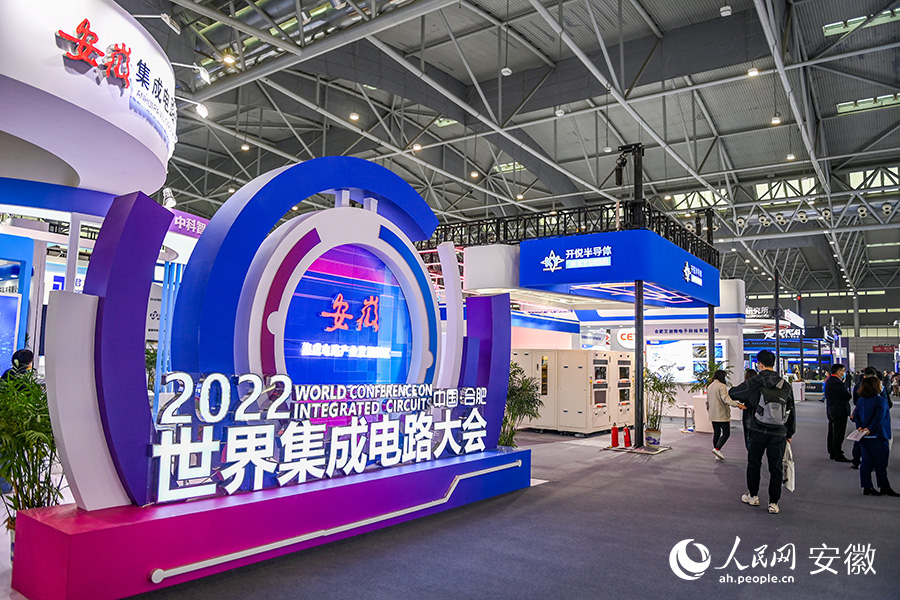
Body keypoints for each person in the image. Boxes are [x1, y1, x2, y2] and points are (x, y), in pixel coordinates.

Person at [728, 350, 796, 514]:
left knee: (754, 463)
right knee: (776, 467)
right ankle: (774, 503)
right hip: (778, 432)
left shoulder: (754, 382)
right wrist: (789, 433)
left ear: (759, 364)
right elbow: (791, 409)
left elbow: (733, 393)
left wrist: (748, 399)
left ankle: (753, 496)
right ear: (773, 363)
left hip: (757, 429)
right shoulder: (784, 384)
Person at [854, 377, 898, 497]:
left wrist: (860, 428)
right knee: (881, 463)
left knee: (866, 462)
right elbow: (879, 418)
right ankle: (884, 486)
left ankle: (867, 486)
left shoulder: (861, 400)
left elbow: (856, 415)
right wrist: (870, 429)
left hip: (864, 436)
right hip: (878, 435)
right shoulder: (880, 400)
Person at [707, 370, 744, 460]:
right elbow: (725, 399)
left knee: (717, 433)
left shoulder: (710, 386)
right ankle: (717, 449)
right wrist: (737, 404)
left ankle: (717, 453)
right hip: (722, 414)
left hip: (713, 414)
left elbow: (708, 401)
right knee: (726, 433)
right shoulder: (722, 386)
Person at [824, 364, 852, 462]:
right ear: (838, 371)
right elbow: (846, 395)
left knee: (832, 432)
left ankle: (832, 452)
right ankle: (838, 454)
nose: (844, 373)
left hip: (832, 410)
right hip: (839, 411)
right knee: (838, 433)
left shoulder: (829, 380)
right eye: (843, 371)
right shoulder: (837, 382)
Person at [741, 368, 757, 450]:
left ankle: (751, 451)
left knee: (748, 434)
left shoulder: (746, 386)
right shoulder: (760, 385)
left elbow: (738, 396)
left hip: (748, 410)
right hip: (758, 411)